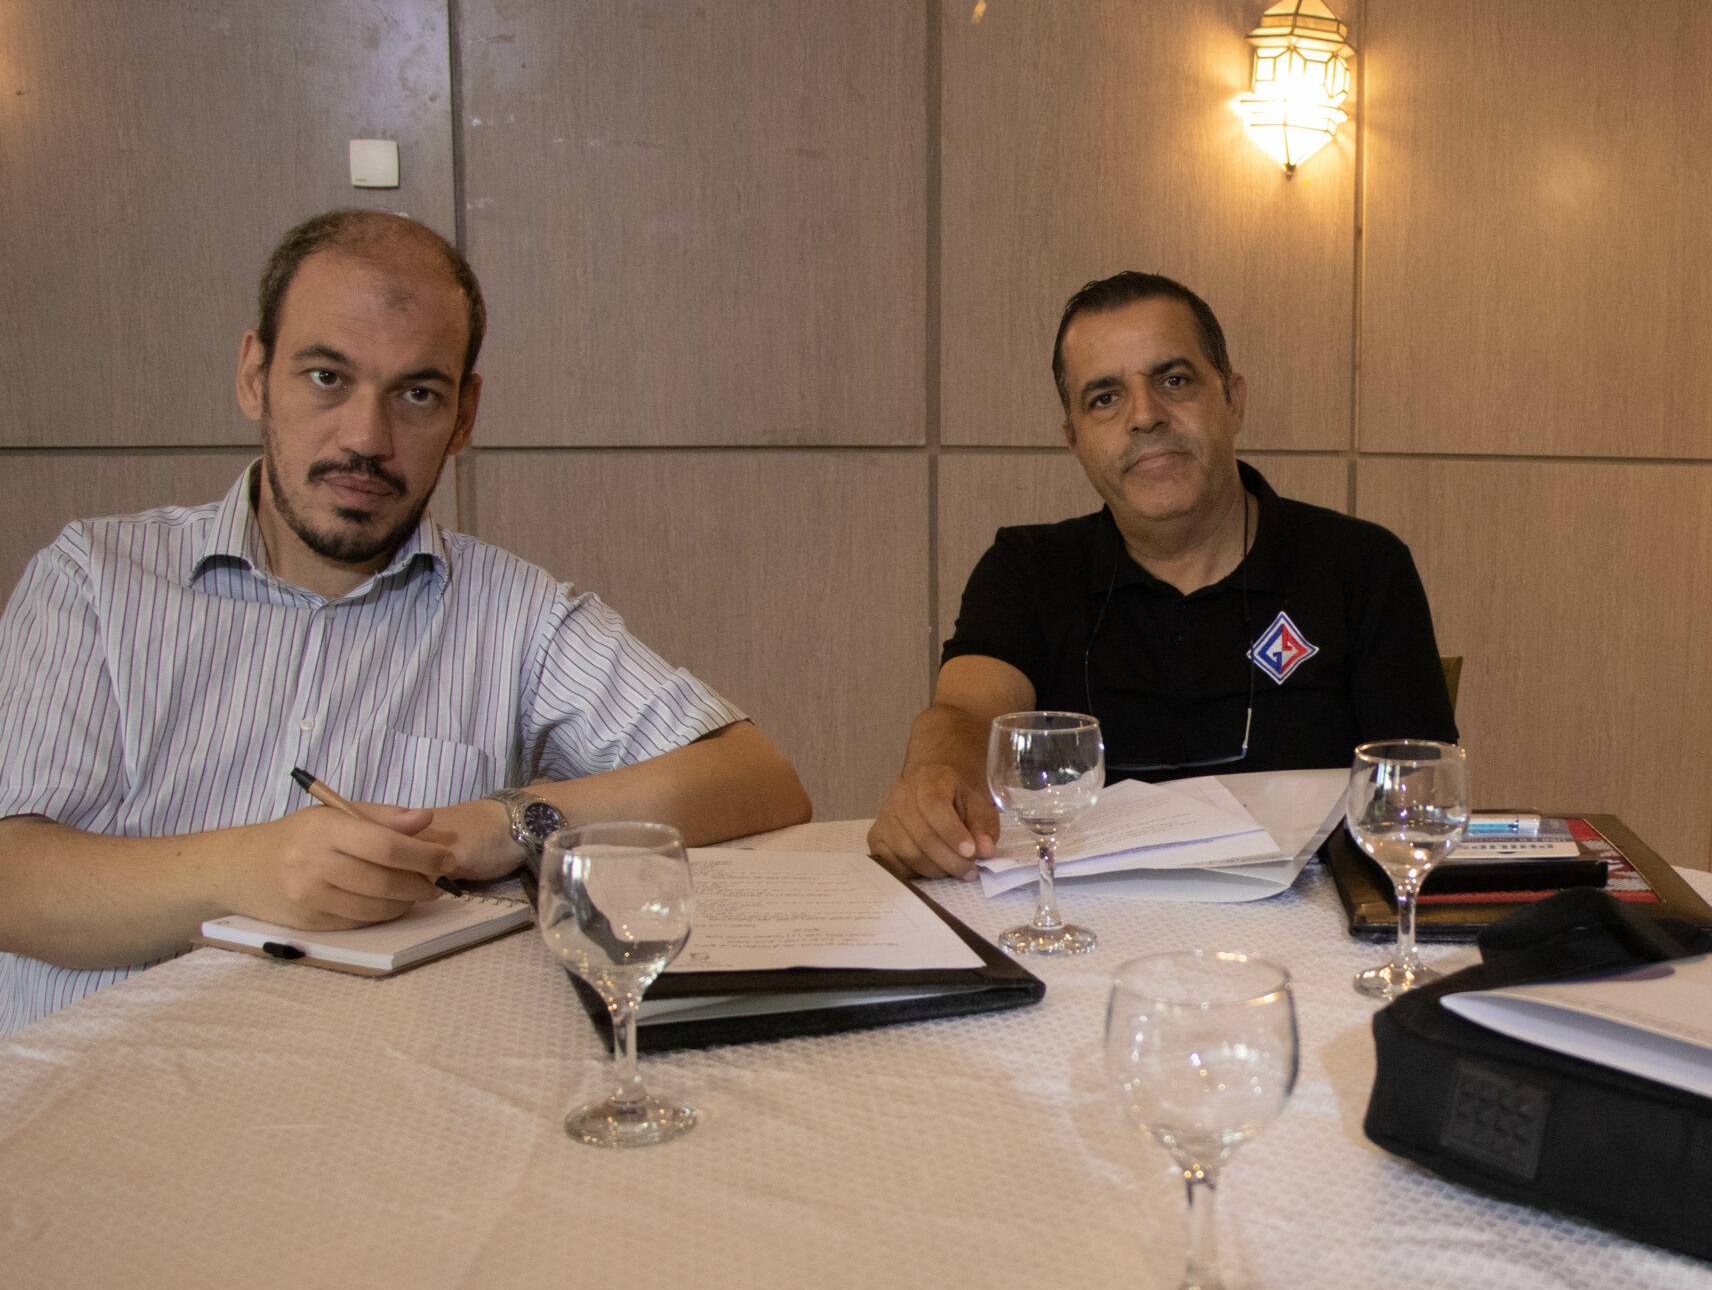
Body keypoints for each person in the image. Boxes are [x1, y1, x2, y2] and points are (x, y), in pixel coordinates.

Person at [0, 210, 812, 1035]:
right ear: (254, 374)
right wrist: (244, 867)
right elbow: (11, 879)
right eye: (326, 376)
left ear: (464, 416)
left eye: (416, 394)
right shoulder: (93, 578)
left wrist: (507, 820)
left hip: (376, 1086)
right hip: (90, 1077)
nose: (366, 437)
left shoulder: (516, 612)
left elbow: (758, 777)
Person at [869, 271, 1457, 879]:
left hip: (1315, 921)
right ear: (1074, 440)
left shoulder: (1363, 565)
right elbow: (965, 716)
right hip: (1084, 921)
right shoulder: (1026, 568)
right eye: (1105, 398)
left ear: (1233, 401)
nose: (1145, 416)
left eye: (1173, 381)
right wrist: (936, 778)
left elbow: (1419, 799)